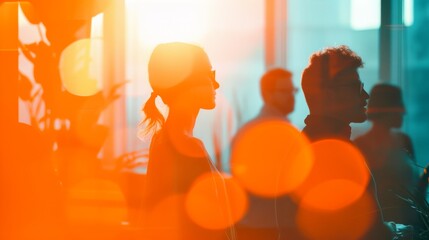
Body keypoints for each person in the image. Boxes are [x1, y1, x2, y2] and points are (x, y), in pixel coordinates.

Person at [140, 42, 235, 240]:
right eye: (211, 74)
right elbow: (208, 228)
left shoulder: (162, 139)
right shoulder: (188, 146)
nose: (216, 84)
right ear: (192, 81)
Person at [300, 45, 393, 239]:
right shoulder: (332, 152)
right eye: (356, 87)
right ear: (327, 93)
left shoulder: (307, 145)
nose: (365, 95)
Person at [231, 68, 300, 240]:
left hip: (251, 224)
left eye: (293, 90)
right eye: (285, 91)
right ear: (267, 94)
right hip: (274, 227)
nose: (292, 96)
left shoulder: (246, 129)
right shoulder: (283, 132)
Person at [354, 84, 425, 231]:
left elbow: (417, 191)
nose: (404, 112)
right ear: (386, 108)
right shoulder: (359, 147)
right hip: (385, 229)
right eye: (399, 104)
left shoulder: (404, 140)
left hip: (414, 226)